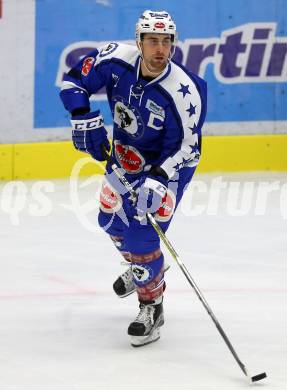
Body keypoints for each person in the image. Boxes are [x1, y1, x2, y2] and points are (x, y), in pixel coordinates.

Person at [60, 10, 207, 347]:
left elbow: (187, 145)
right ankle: (147, 267)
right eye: (152, 40)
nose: (160, 49)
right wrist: (83, 117)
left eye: (166, 41)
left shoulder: (186, 90)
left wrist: (159, 177)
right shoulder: (115, 60)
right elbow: (73, 83)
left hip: (170, 166)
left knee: (142, 232)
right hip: (126, 157)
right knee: (108, 219)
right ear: (138, 41)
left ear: (173, 44)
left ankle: (152, 306)